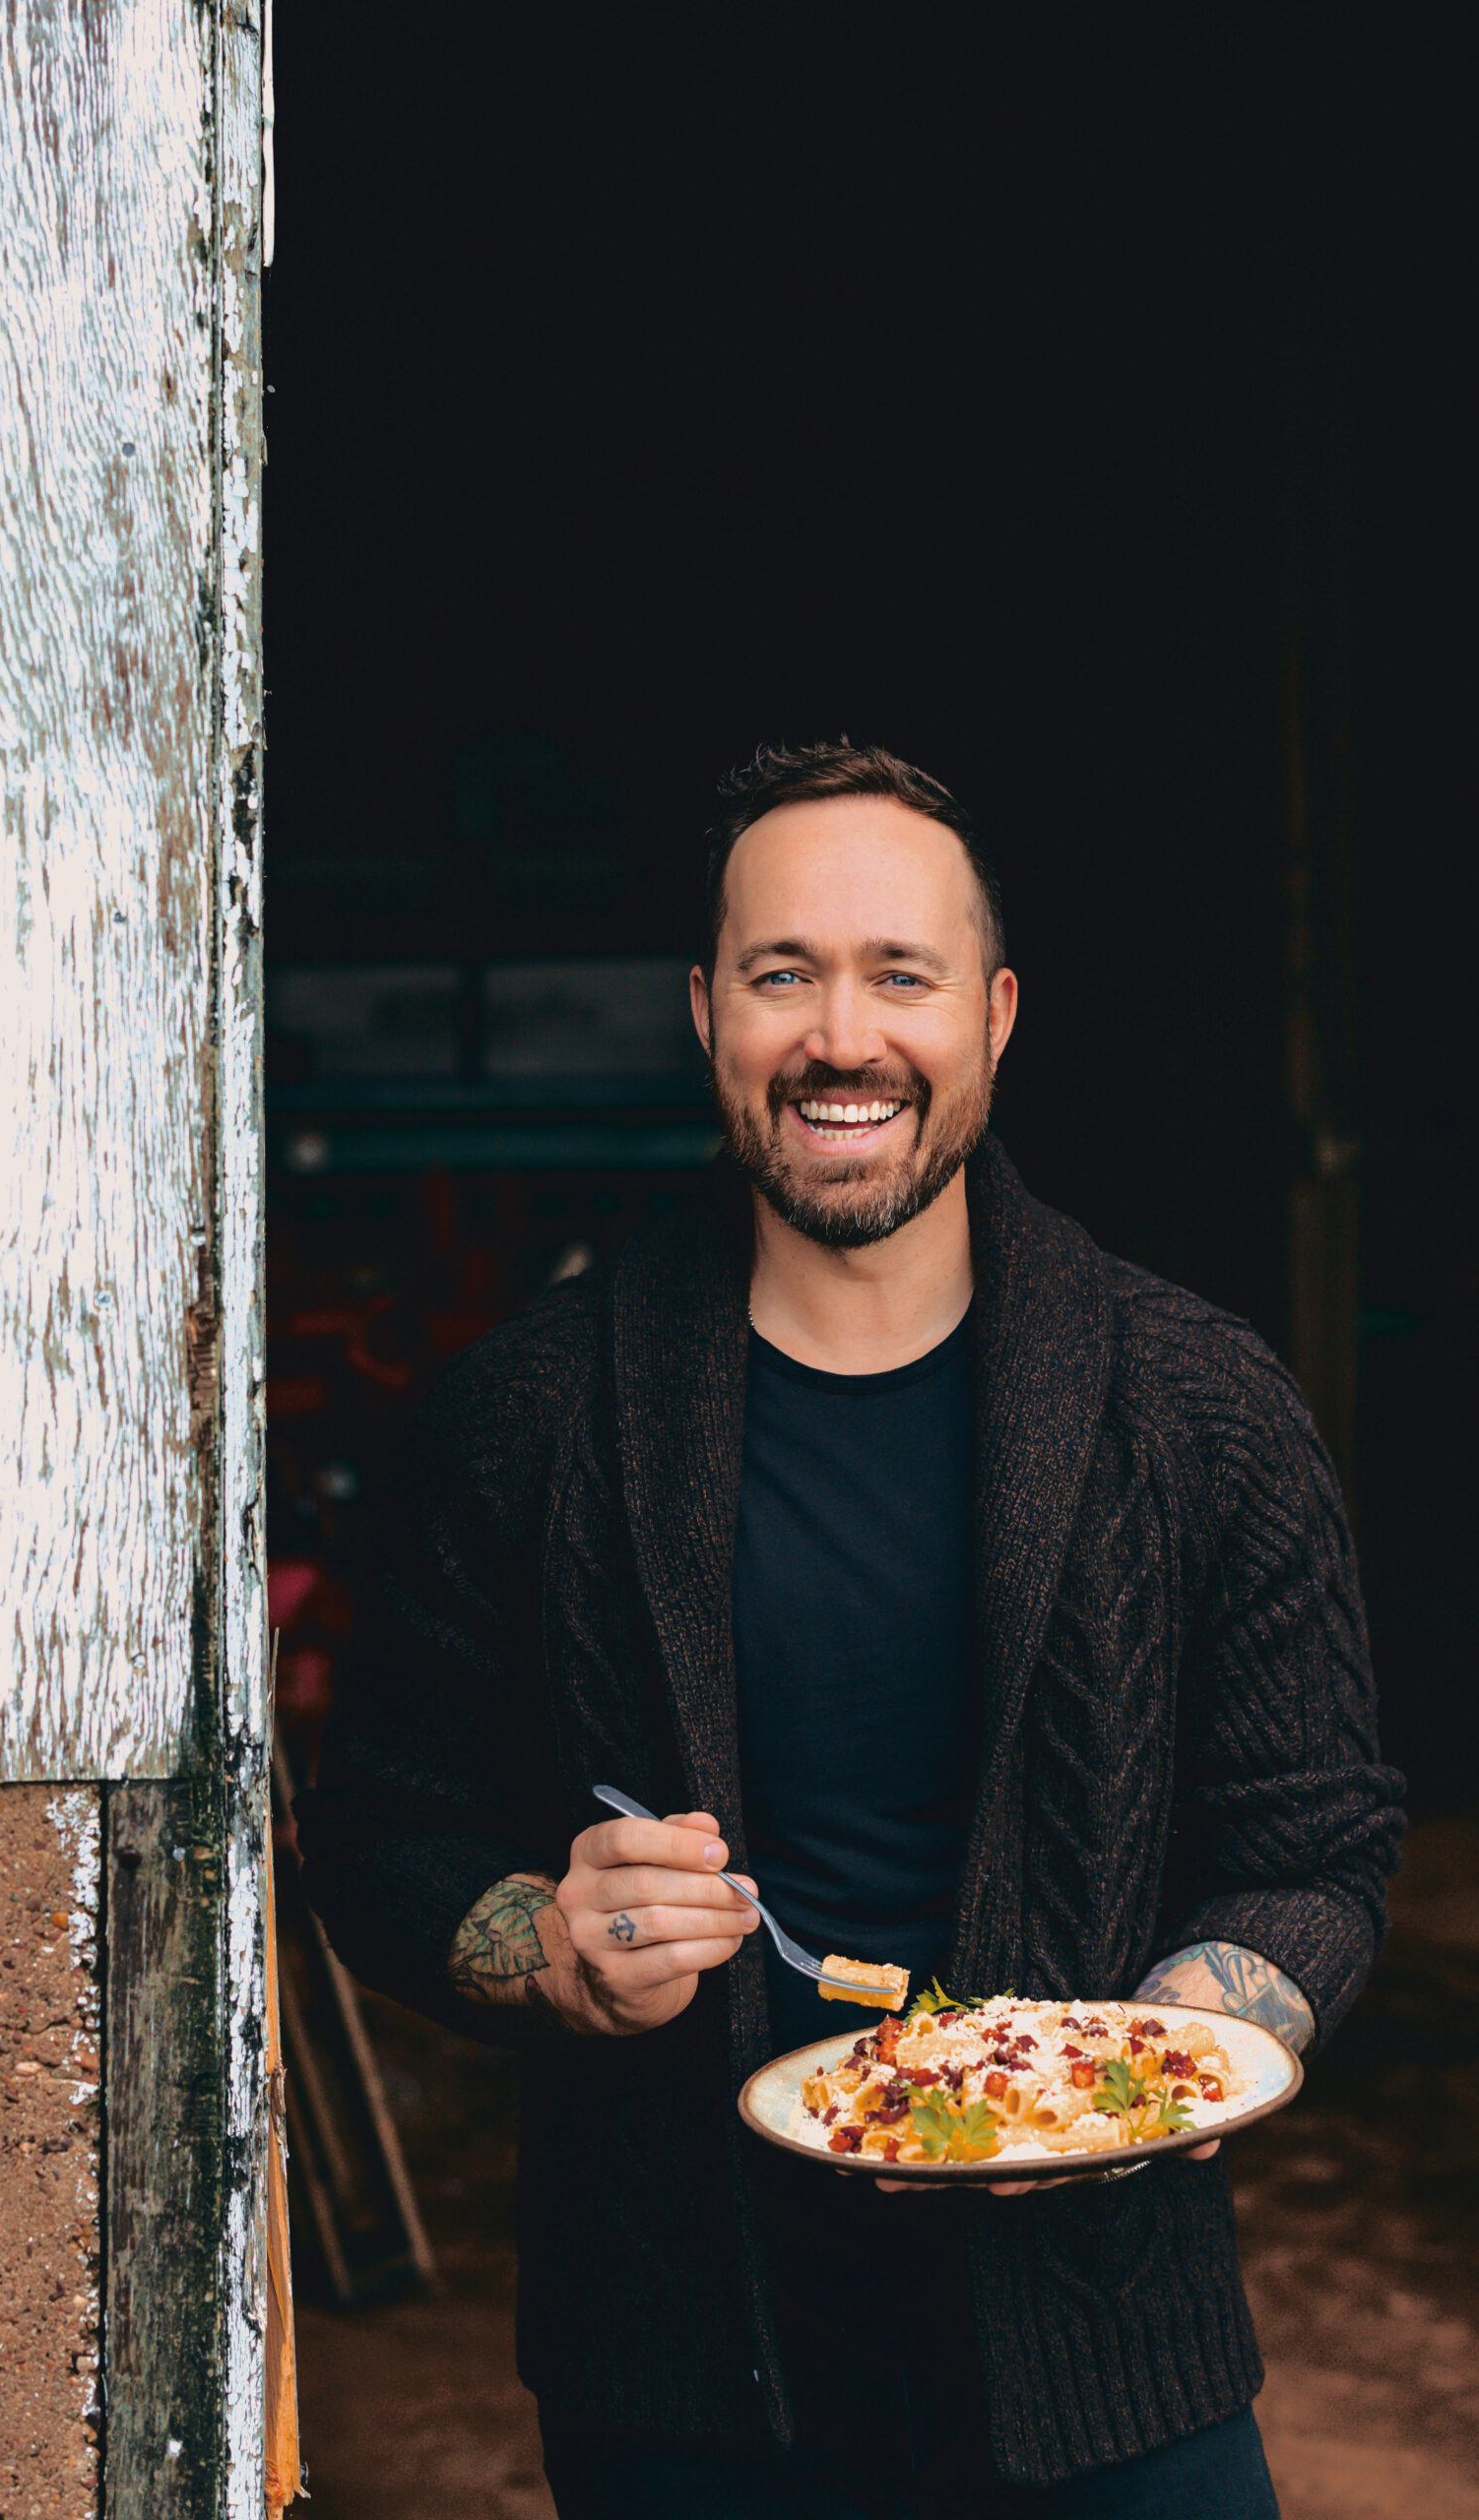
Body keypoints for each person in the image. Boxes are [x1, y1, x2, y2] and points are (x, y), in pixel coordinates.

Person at [295, 740, 1403, 2517]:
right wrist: (546, 1944)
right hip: (676, 2374)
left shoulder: (1203, 1408)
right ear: (704, 1010)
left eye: (903, 974)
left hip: (1116, 2359)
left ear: (998, 1013)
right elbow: (380, 1832)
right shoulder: (523, 1421)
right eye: (782, 973)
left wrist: (1135, 2073)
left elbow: (1320, 1843)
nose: (842, 1036)